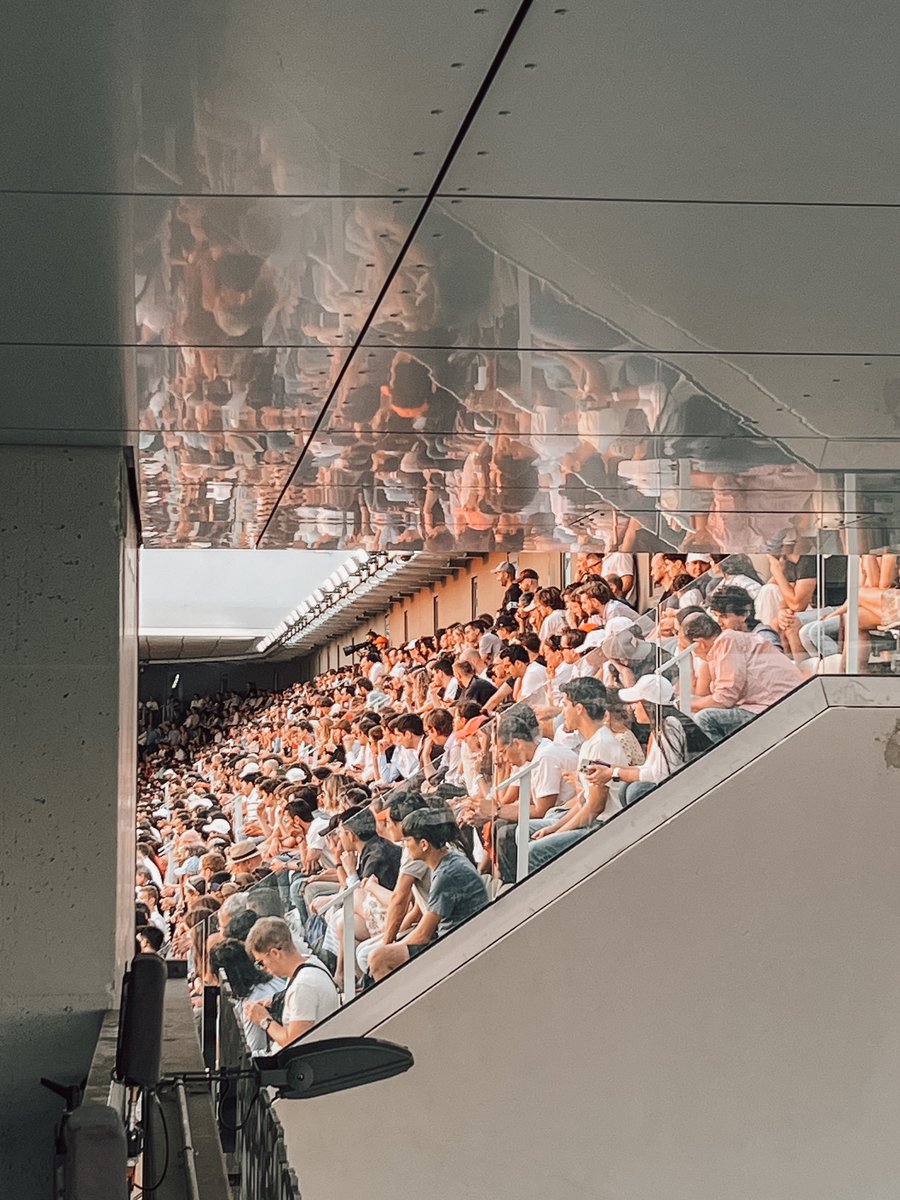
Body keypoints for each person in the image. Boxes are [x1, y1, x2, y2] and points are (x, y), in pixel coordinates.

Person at [368, 809, 488, 980]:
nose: (405, 846)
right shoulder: (448, 863)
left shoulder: (446, 874)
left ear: (424, 844)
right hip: (457, 939)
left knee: (378, 958)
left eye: (408, 840)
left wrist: (389, 949)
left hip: (458, 946)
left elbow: (423, 934)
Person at [682, 612, 804, 742]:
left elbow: (723, 700)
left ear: (700, 643)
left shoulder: (727, 642)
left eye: (688, 649)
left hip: (780, 708)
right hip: (775, 705)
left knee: (705, 719)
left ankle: (726, 762)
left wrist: (687, 703)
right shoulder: (730, 640)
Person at [244, 917, 339, 1046]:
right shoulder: (309, 961)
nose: (263, 968)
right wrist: (276, 1002)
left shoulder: (303, 985)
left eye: (261, 962)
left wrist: (264, 1020)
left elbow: (294, 1042)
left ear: (275, 953)